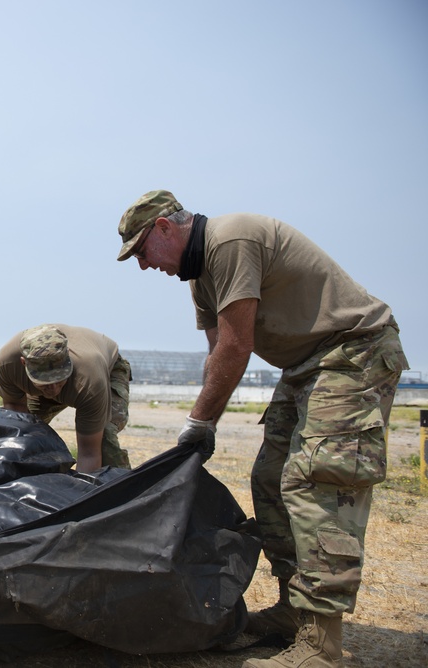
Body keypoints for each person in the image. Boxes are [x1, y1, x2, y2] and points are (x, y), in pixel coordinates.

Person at [116, 190, 408, 668]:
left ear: (165, 229)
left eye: (142, 252)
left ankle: (322, 648)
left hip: (353, 352)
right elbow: (217, 358)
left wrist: (197, 424)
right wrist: (204, 426)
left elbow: (236, 347)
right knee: (270, 479)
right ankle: (294, 612)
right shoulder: (199, 278)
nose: (145, 267)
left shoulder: (230, 241)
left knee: (316, 483)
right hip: (306, 367)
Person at [0, 324, 132, 472]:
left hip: (107, 371)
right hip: (68, 380)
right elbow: (16, 421)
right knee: (24, 431)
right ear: (23, 363)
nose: (53, 389)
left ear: (68, 357)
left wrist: (83, 492)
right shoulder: (8, 365)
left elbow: (90, 453)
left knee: (104, 439)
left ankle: (127, 489)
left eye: (59, 379)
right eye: (45, 382)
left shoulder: (89, 379)